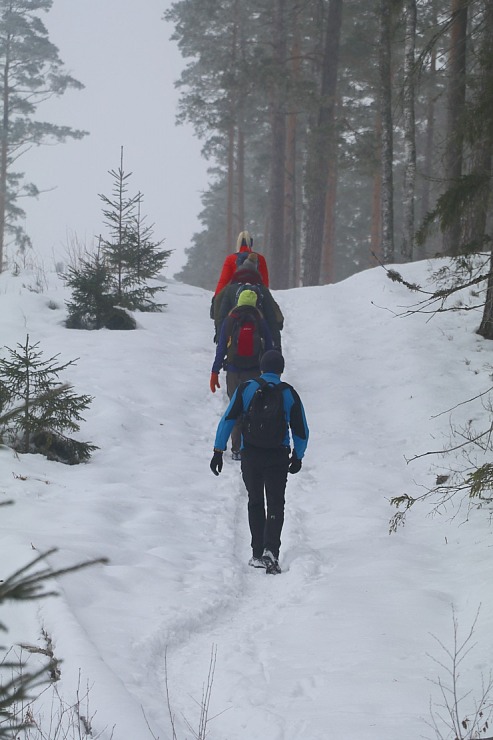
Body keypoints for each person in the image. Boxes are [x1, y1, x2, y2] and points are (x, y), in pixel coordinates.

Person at [209, 350, 309, 574]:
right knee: (275, 502)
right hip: (277, 455)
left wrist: (218, 450)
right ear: (281, 370)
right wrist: (298, 456)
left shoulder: (247, 388)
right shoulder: (288, 393)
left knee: (255, 501)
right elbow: (301, 429)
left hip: (251, 454)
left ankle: (256, 553)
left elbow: (228, 419)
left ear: (262, 368)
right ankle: (271, 551)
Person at [210, 289, 273, 460]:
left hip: (233, 371)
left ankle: (237, 448)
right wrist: (270, 371)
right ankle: (251, 445)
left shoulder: (231, 320)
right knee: (253, 407)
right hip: (254, 370)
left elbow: (221, 347)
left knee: (235, 406)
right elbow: (269, 346)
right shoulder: (259, 320)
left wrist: (215, 371)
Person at [213, 252, 284, 350]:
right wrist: (277, 345)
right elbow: (272, 317)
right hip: (257, 346)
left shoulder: (230, 289)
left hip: (234, 347)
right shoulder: (261, 289)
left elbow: (221, 315)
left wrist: (220, 338)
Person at [214, 231, 269, 298]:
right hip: (256, 293)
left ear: (238, 243)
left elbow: (223, 281)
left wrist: (216, 297)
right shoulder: (260, 258)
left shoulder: (231, 258)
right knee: (273, 308)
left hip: (235, 294)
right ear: (251, 243)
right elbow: (265, 281)